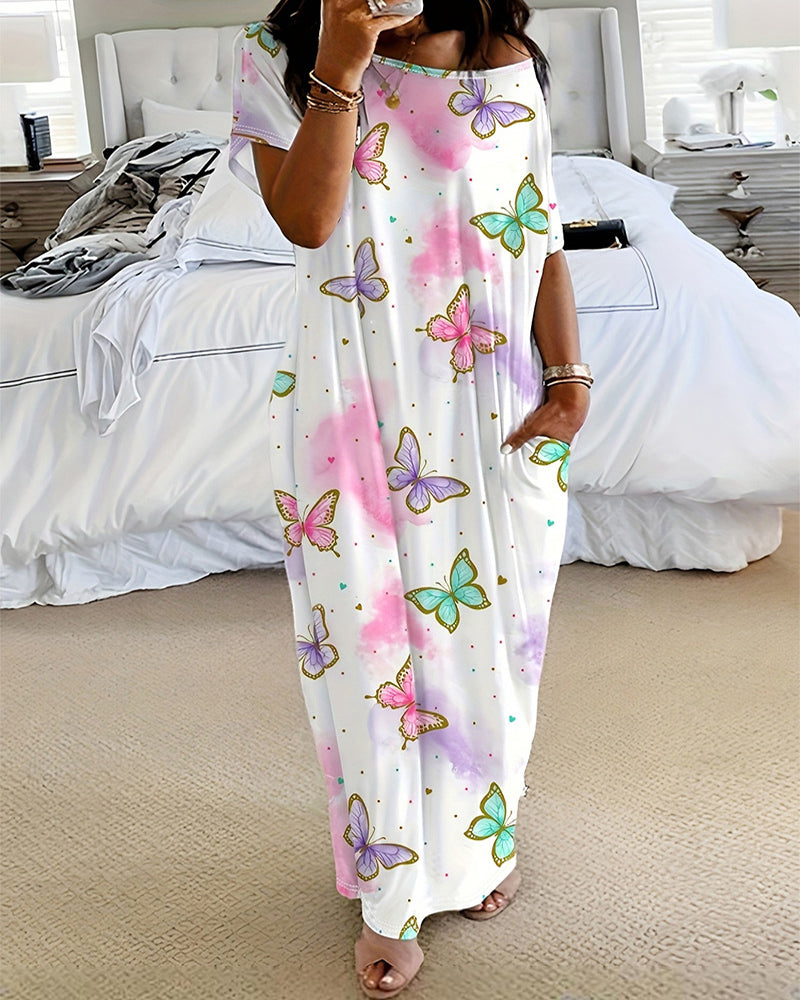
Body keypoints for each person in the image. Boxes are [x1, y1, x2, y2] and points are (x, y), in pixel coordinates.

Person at [229, 1, 590, 995]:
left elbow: (540, 230)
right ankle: (390, 893)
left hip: (491, 401)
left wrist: (569, 383)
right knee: (370, 651)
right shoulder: (277, 52)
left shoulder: (499, 48)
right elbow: (309, 222)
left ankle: (479, 838)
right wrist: (340, 61)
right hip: (352, 395)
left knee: (493, 644)